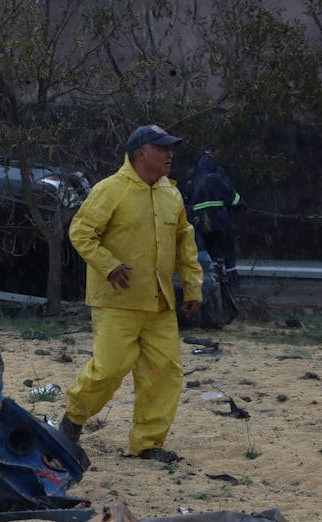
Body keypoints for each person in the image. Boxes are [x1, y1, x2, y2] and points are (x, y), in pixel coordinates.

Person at [58, 124, 204, 463]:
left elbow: (185, 242)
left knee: (164, 372)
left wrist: (193, 286)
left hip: (160, 302)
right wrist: (108, 265)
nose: (170, 154)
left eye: (171, 148)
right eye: (162, 148)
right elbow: (81, 232)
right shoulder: (111, 189)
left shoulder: (171, 193)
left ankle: (148, 443)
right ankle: (73, 419)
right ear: (141, 154)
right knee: (109, 369)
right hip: (116, 302)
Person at [182, 151, 245, 289]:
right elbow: (232, 197)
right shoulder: (216, 177)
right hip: (221, 222)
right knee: (228, 254)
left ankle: (216, 283)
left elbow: (186, 199)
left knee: (212, 254)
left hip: (201, 226)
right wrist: (241, 205)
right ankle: (232, 284)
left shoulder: (192, 178)